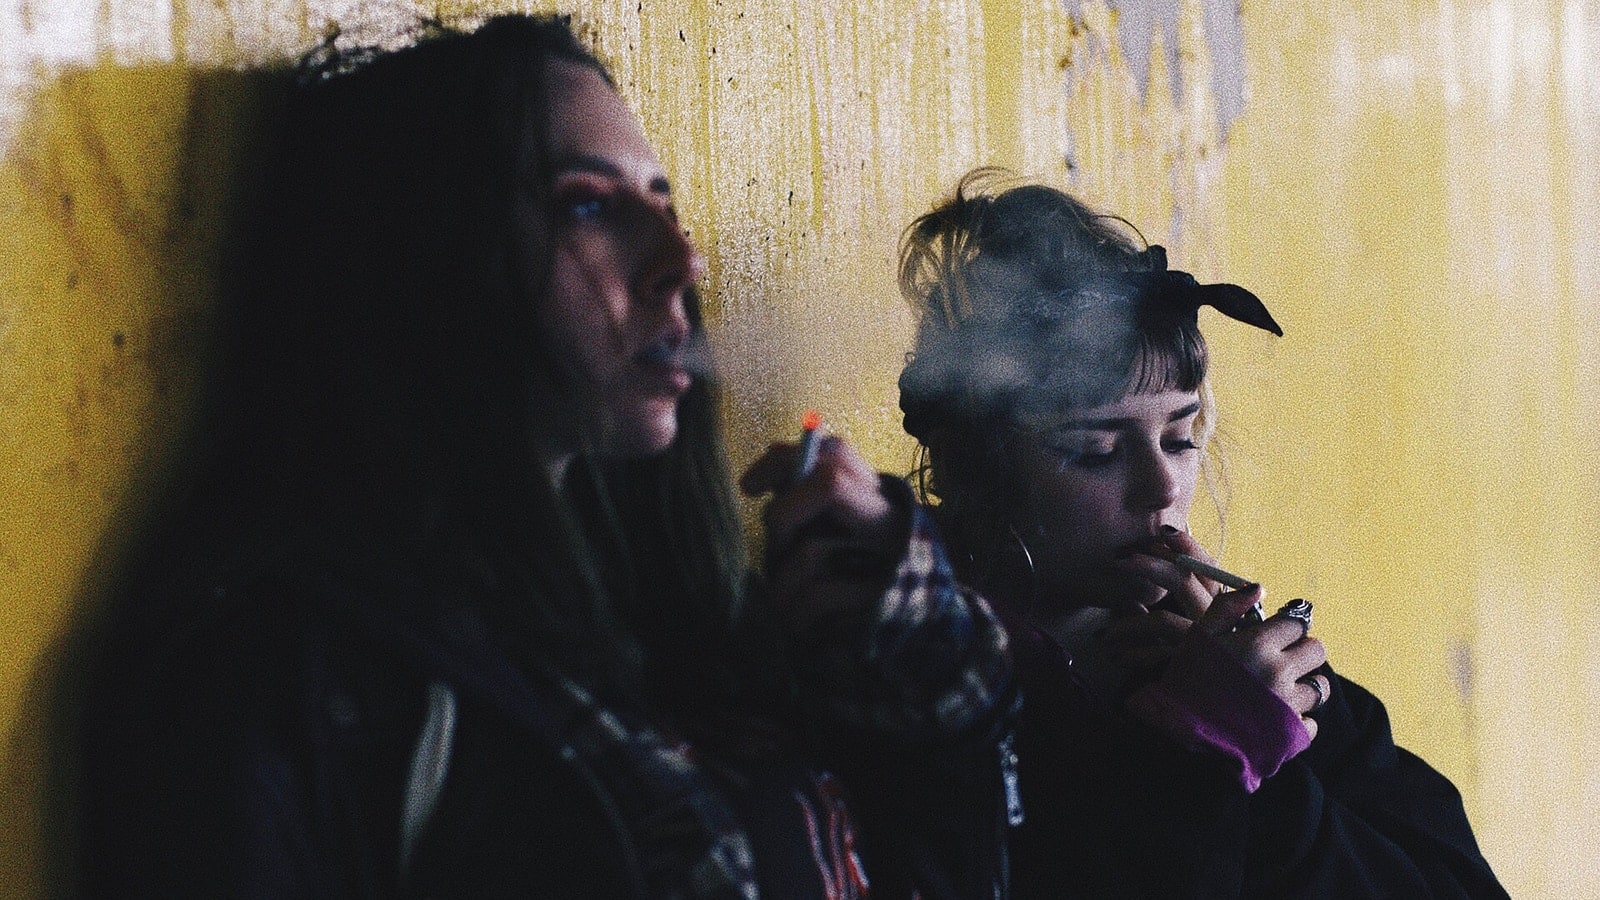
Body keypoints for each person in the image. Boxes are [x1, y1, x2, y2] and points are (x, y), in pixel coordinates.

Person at [75, 17, 1014, 897]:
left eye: (660, 197)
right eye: (587, 206)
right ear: (433, 255)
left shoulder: (665, 615)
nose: (679, 260)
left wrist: (903, 635)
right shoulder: (306, 672)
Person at [896, 170, 1506, 898]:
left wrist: (1267, 758)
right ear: (978, 464)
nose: (1161, 490)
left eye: (1181, 439)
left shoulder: (1255, 677)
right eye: (1095, 451)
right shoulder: (918, 683)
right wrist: (1203, 745)